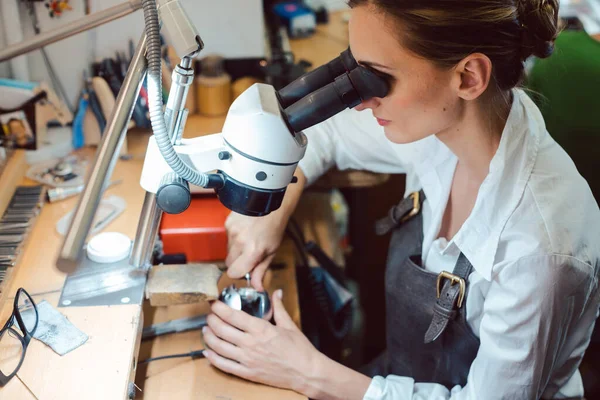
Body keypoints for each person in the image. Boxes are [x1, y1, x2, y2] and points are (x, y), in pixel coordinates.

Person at [202, 0, 600, 399]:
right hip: (400, 374)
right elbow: (329, 134)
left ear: (468, 77)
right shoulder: (455, 123)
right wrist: (270, 214)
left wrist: (309, 373)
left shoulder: (540, 251)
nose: (360, 101)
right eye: (354, 72)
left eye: (377, 79)